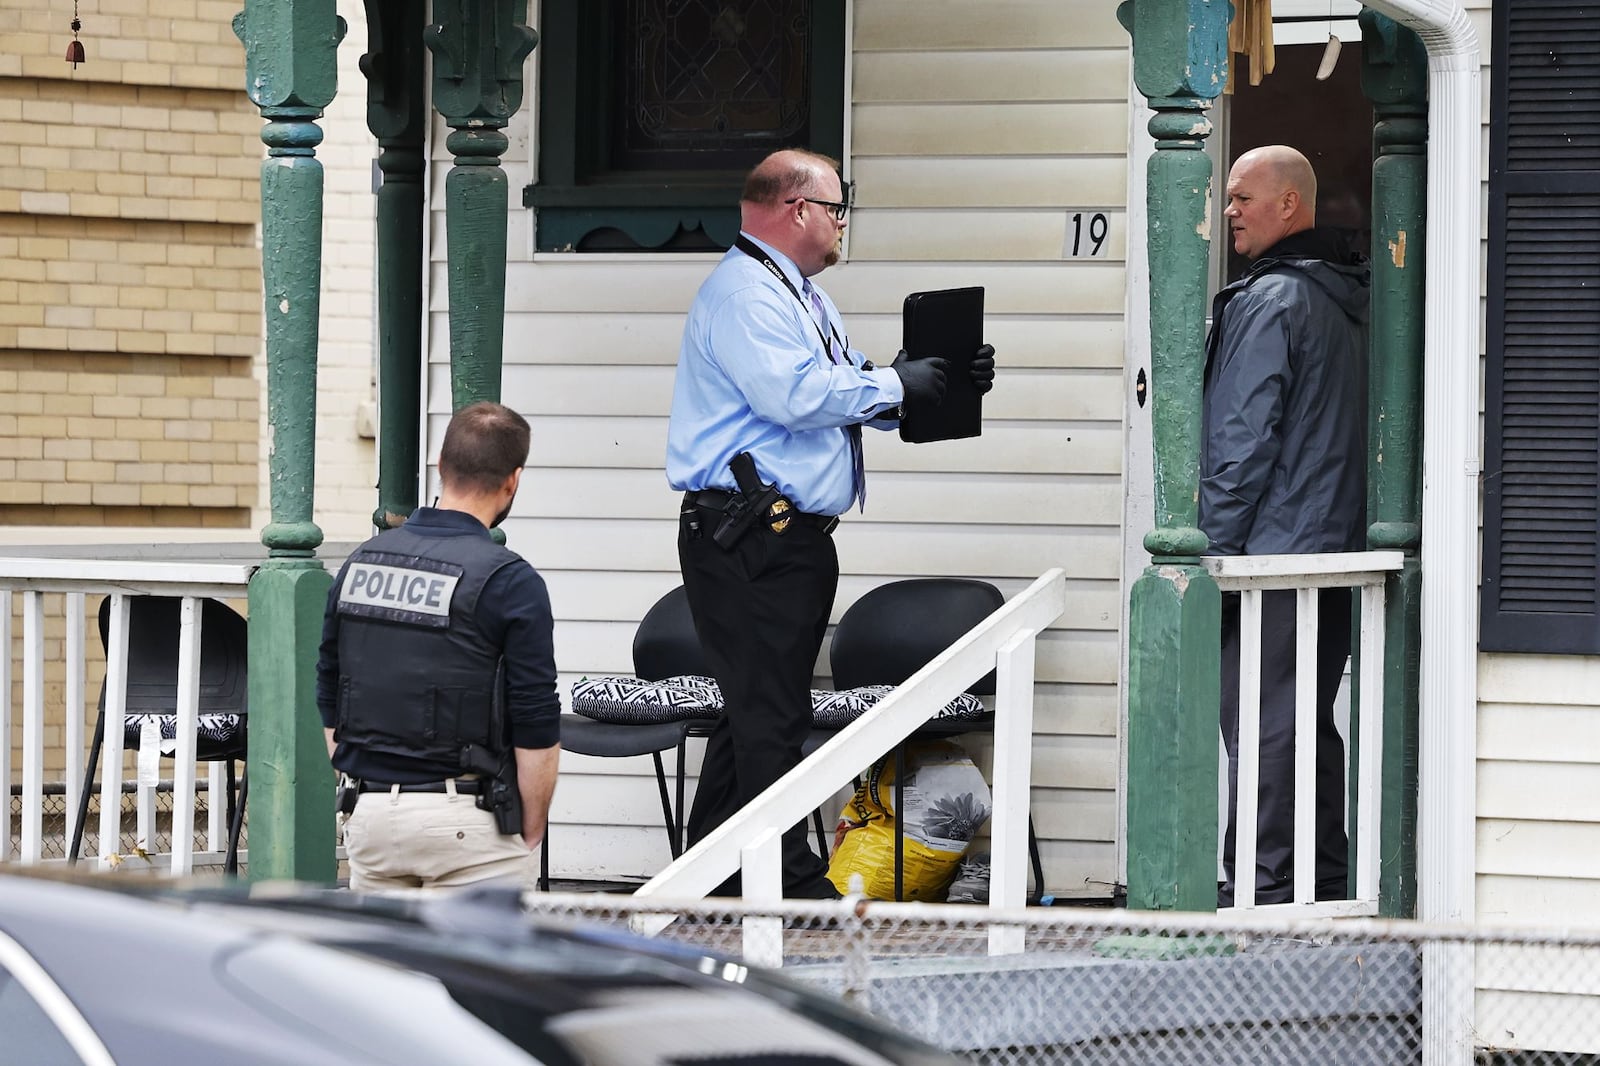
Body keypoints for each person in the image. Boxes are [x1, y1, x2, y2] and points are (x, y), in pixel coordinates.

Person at [666, 148, 996, 899]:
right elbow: (796, 396)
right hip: (750, 533)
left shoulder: (796, 294)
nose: (844, 223)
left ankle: (704, 879)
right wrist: (892, 381)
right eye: (837, 208)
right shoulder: (748, 296)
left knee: (751, 709)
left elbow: (838, 390)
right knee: (771, 714)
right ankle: (787, 880)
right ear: (797, 210)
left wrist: (925, 385)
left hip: (777, 537)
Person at [1201, 145, 1369, 907]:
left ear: (1289, 206)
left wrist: (1212, 558)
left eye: (1241, 197)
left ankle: (1265, 890)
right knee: (1305, 723)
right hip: (1336, 548)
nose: (1228, 210)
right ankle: (1320, 876)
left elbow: (1241, 443)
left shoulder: (1270, 302)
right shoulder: (1349, 297)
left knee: (1265, 724)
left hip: (1272, 555)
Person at [317, 401, 561, 892]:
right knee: (478, 973)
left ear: (441, 466)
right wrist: (530, 828)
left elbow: (330, 694)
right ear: (512, 481)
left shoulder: (360, 564)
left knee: (386, 972)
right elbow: (536, 723)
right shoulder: (510, 580)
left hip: (370, 819)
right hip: (468, 826)